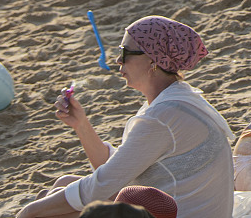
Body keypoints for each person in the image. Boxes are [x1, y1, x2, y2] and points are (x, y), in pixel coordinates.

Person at [19, 17, 233, 218]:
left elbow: (104, 184)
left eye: (124, 52)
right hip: (178, 208)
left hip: (180, 212)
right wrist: (81, 125)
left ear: (152, 60)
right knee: (62, 185)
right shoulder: (174, 101)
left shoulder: (164, 116)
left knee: (42, 211)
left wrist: (27, 212)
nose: (117, 60)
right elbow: (117, 170)